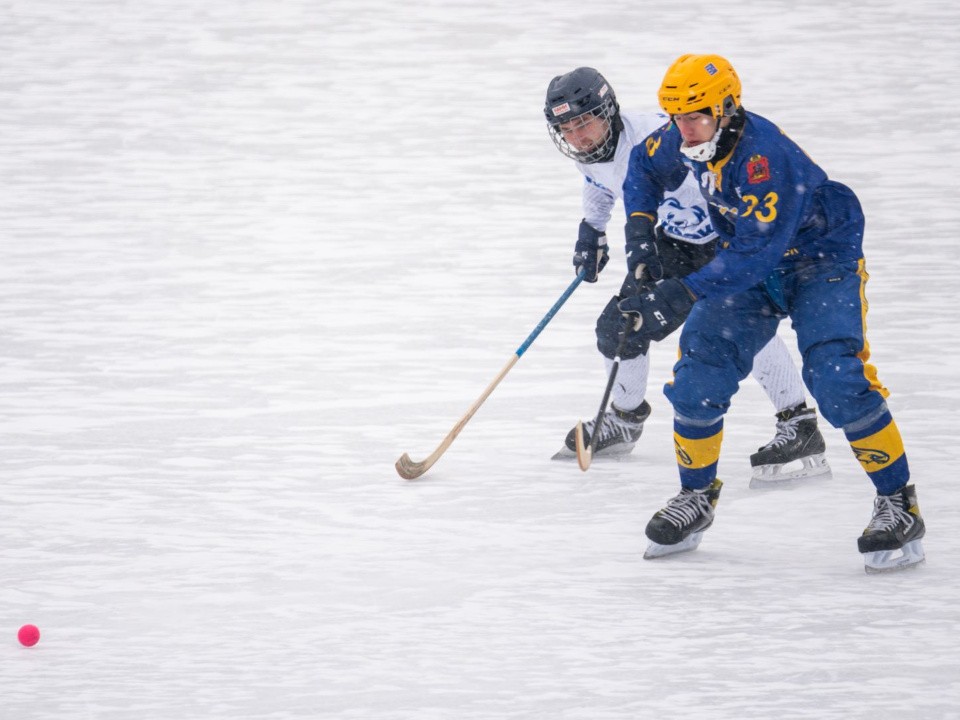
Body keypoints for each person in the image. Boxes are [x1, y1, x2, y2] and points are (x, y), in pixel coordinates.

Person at [618, 54, 925, 572]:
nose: (683, 131)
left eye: (694, 117)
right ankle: (696, 496)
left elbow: (754, 252)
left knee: (835, 376)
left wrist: (680, 293)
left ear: (728, 106)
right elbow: (642, 168)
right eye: (674, 118)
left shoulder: (764, 157)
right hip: (752, 264)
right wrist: (640, 236)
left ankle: (899, 503)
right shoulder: (684, 132)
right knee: (698, 373)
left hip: (819, 260)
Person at [544, 66, 829, 486]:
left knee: (747, 330)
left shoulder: (661, 136)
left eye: (584, 122)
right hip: (675, 243)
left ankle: (799, 424)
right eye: (566, 128)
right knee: (620, 326)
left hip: (729, 245)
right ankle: (624, 420)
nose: (578, 136)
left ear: (609, 111)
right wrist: (592, 229)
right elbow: (600, 184)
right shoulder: (592, 153)